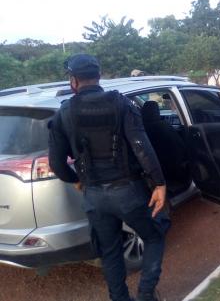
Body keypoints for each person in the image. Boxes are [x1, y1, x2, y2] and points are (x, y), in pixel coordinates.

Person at [48, 54, 169, 301]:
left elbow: (56, 165)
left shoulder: (64, 112)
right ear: (99, 76)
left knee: (110, 252)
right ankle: (146, 294)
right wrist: (159, 183)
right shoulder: (121, 104)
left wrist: (76, 179)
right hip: (128, 192)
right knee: (155, 236)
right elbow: (141, 146)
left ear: (73, 81)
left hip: (94, 195)